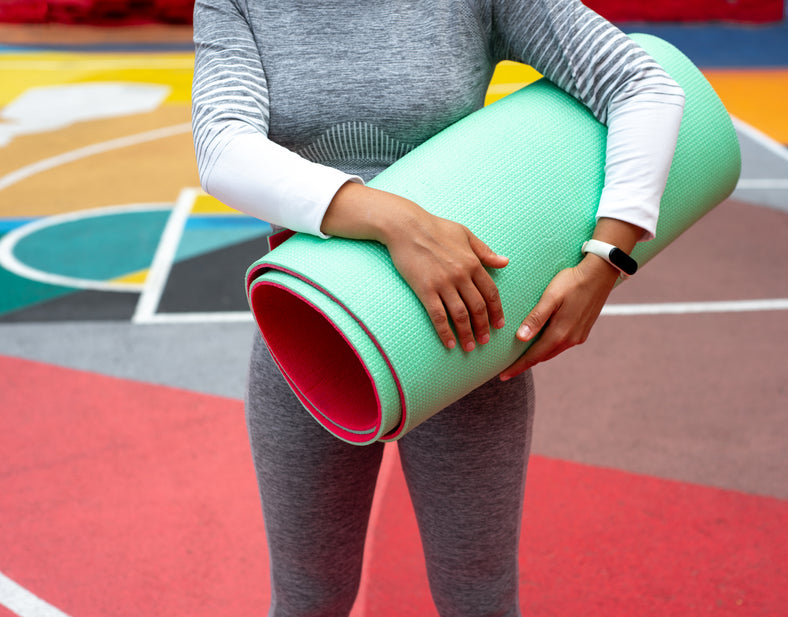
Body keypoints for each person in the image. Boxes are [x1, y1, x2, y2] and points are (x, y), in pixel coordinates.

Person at [191, 1, 684, 615]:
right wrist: (399, 223)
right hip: (311, 329)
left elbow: (641, 84)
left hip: (464, 326)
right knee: (306, 598)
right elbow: (222, 147)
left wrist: (606, 260)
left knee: (478, 595)